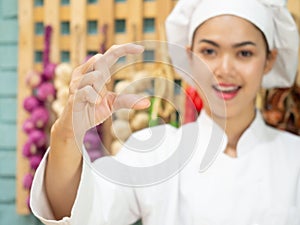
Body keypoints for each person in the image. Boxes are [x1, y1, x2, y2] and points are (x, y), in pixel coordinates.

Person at [30, 0, 300, 224]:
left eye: (244, 53)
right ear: (190, 56)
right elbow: (78, 212)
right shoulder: (156, 153)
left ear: (269, 60)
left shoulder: (295, 159)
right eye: (209, 51)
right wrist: (67, 133)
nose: (224, 69)